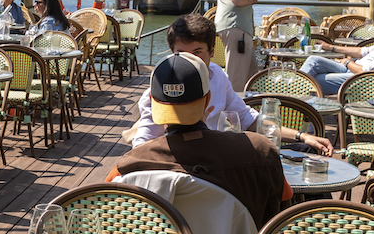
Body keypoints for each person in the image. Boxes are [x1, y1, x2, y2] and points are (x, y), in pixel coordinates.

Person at [108, 52, 290, 230]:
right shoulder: (261, 152)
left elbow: (103, 206)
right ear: (208, 99)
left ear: (151, 101)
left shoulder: (129, 165)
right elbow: (286, 203)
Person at [129, 14, 332, 154]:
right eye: (182, 54)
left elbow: (248, 119)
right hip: (190, 162)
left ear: (211, 52)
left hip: (219, 154)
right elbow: (142, 144)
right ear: (172, 52)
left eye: (197, 53)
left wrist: (301, 135)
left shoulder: (216, 75)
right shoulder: (163, 84)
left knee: (305, 151)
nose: (190, 61)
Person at [299, 5, 374, 96]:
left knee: (312, 80)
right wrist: (331, 47)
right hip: (351, 68)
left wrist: (347, 62)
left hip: (359, 78)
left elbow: (365, 71)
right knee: (313, 60)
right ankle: (295, 98)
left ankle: (295, 103)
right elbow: (364, 51)